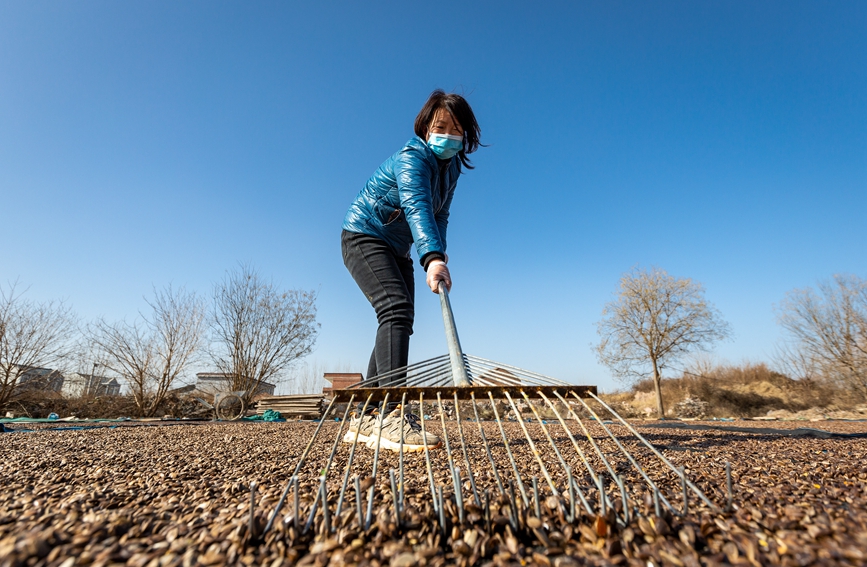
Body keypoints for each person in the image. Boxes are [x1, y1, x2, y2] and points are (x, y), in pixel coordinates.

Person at [341, 90, 482, 451]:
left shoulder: (449, 171)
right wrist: (431, 256)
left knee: (401, 318)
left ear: (465, 134)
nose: (447, 134)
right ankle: (391, 412)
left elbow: (440, 216)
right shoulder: (413, 158)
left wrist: (440, 256)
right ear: (425, 127)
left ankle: (367, 418)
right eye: (440, 126)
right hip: (365, 235)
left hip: (398, 246)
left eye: (455, 128)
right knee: (395, 309)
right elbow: (418, 206)